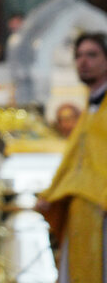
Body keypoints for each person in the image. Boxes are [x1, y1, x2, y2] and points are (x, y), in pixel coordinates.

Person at [36, 31, 107, 282]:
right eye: (78, 56)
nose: (83, 61)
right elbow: (74, 161)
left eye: (92, 55)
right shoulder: (90, 108)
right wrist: (52, 193)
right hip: (80, 212)